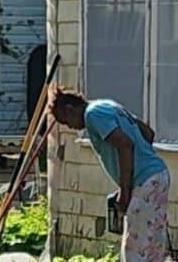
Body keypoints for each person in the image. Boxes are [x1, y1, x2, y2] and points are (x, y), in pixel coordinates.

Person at [49, 87, 169, 262]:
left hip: (145, 181)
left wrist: (125, 190)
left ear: (70, 109)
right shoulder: (109, 105)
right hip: (158, 175)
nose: (72, 128)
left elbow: (125, 145)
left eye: (67, 122)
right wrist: (144, 159)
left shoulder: (92, 115)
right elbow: (148, 133)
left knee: (135, 248)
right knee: (153, 246)